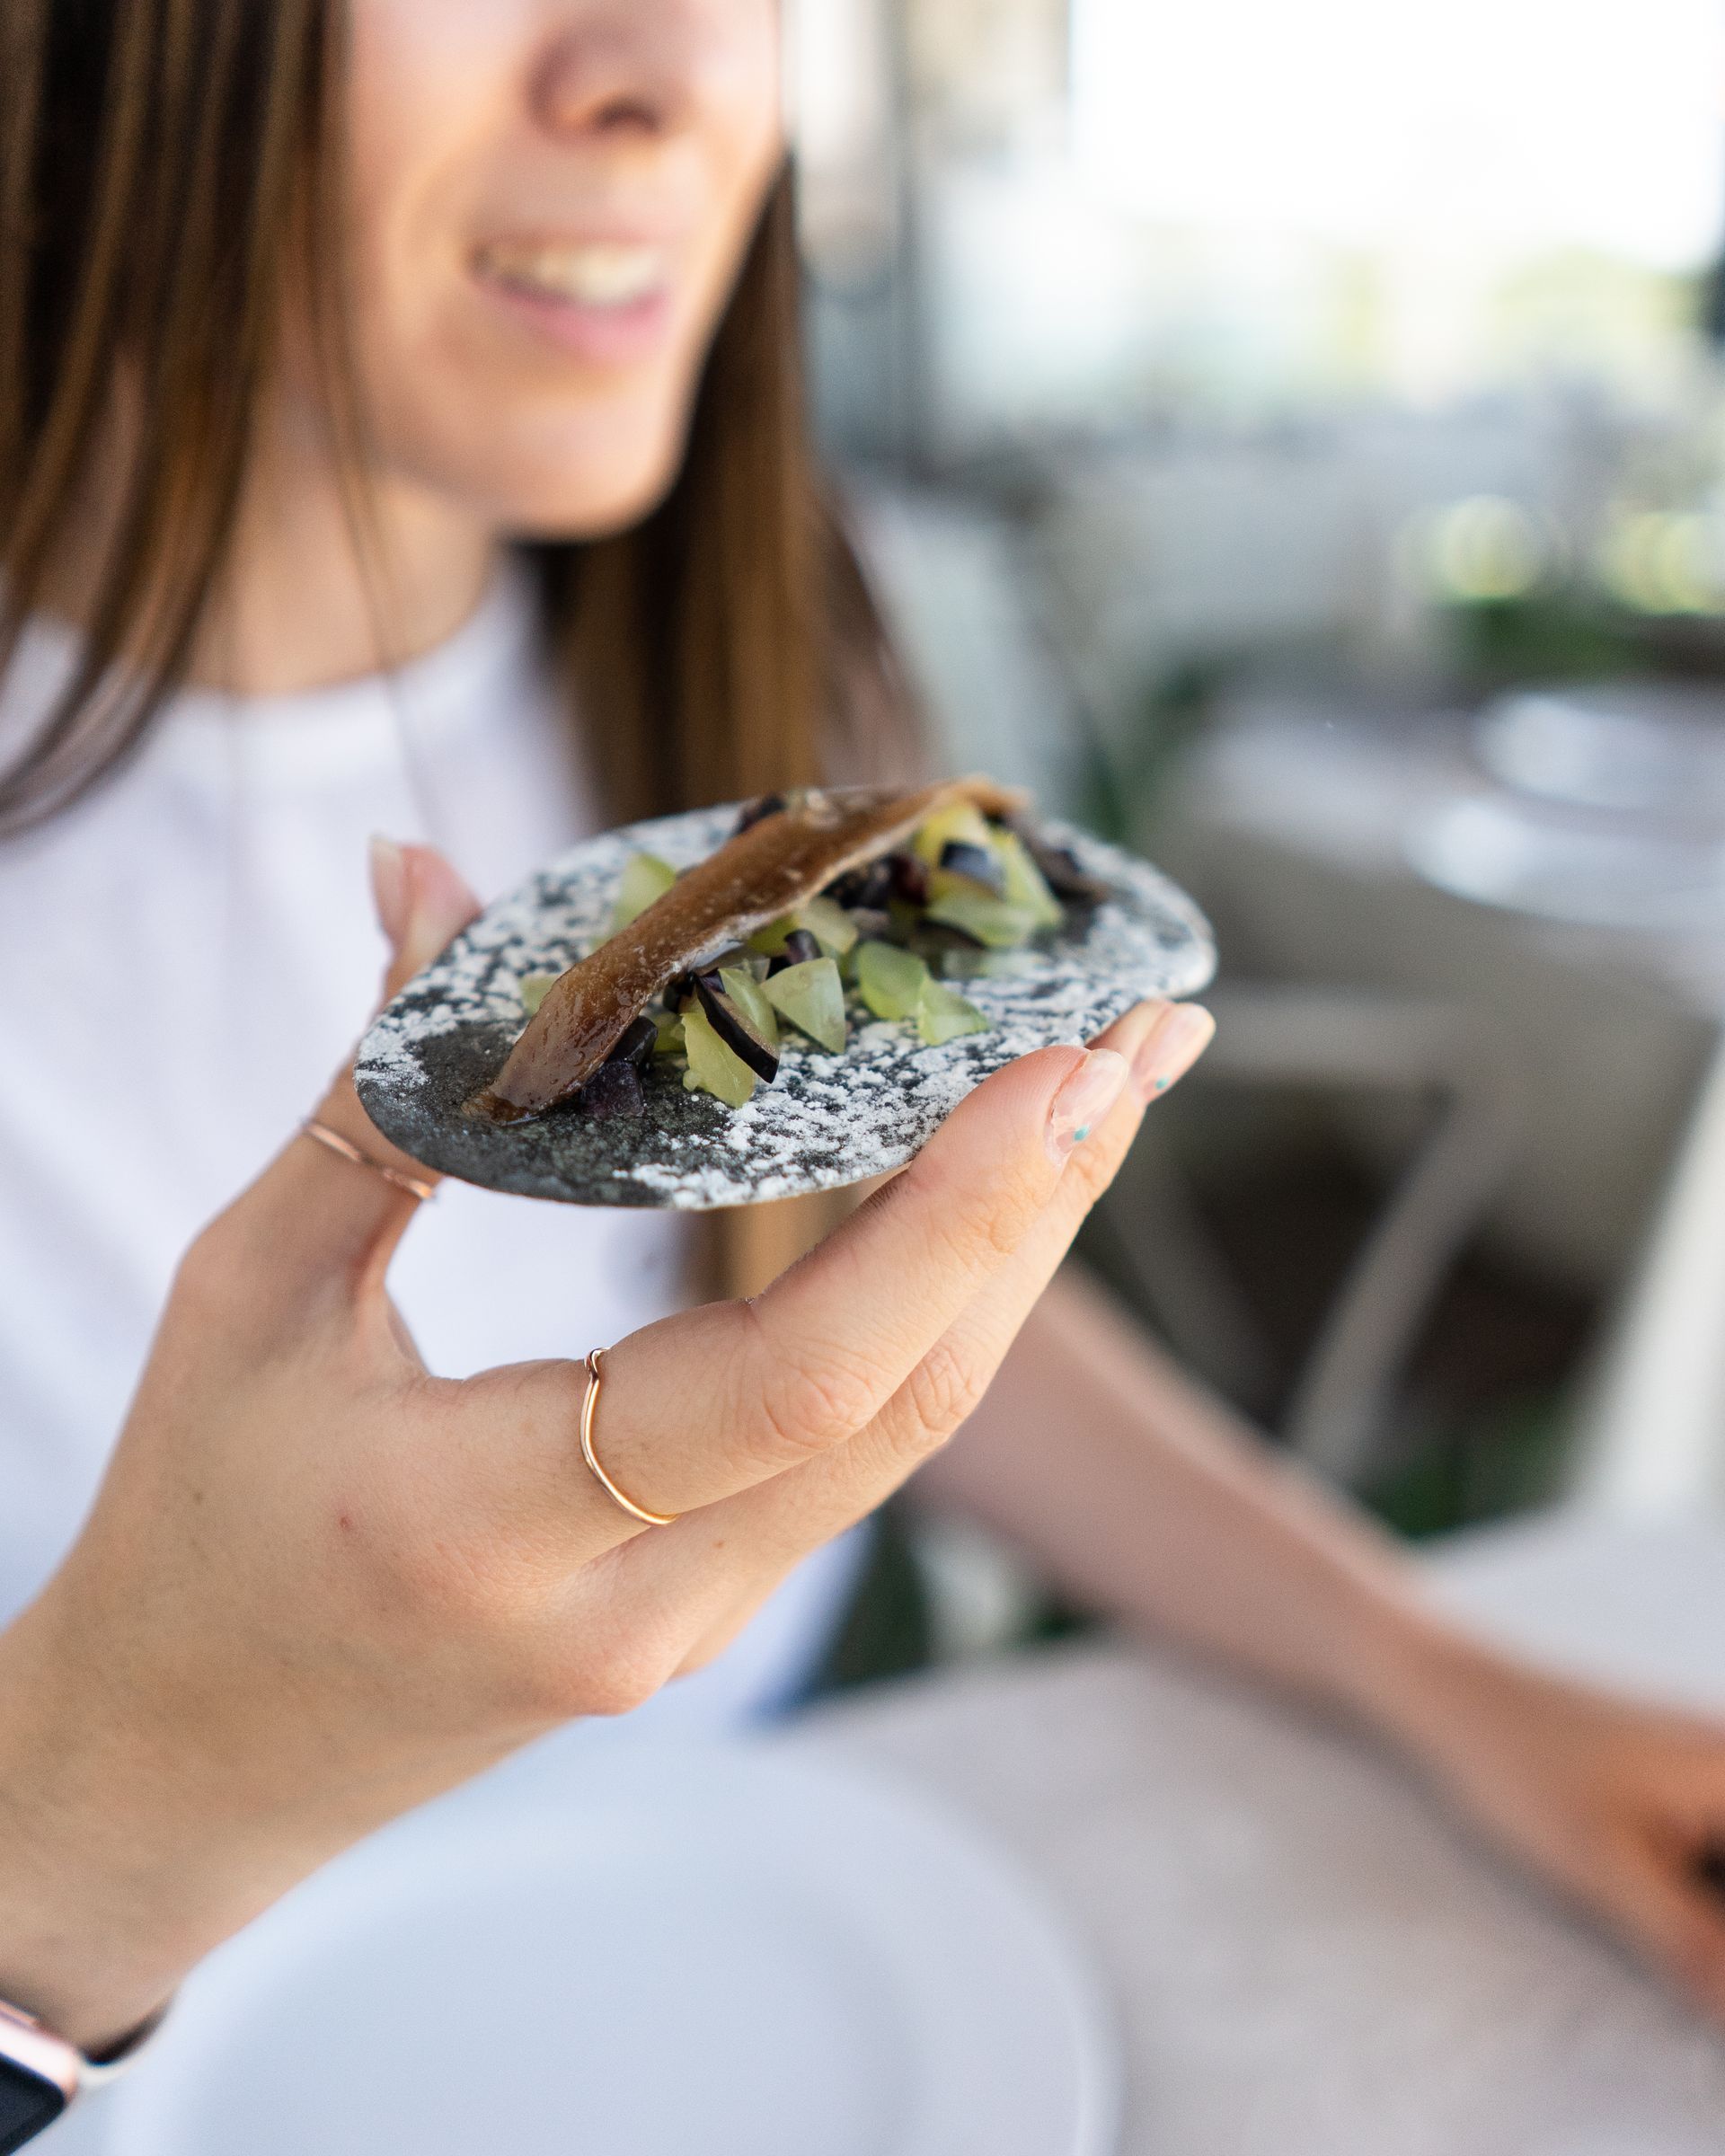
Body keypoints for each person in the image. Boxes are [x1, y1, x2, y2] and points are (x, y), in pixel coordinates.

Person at [1, 0, 1723, 2097]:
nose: (669, 71)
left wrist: (1432, 1676)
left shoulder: (728, 694)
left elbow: (834, 1287)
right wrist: (96, 1830)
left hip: (750, 1985)